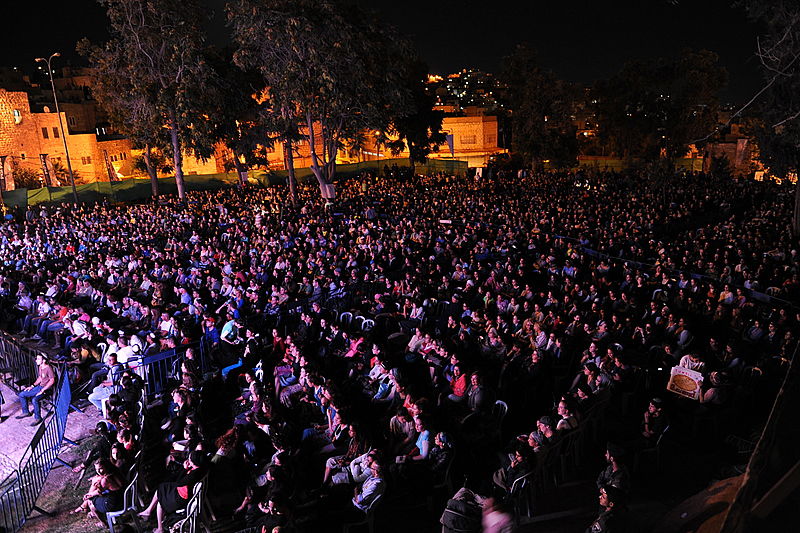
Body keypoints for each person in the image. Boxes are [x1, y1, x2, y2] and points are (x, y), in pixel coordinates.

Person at [16, 354, 56, 425]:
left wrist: (42, 390)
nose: (36, 360)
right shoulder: (40, 367)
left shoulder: (48, 368)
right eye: (36, 358)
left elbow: (52, 380)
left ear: (44, 360)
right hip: (39, 387)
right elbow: (40, 378)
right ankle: (26, 412)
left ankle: (38, 418)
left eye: (38, 359)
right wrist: (32, 386)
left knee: (34, 399)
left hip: (46, 389)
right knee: (22, 394)